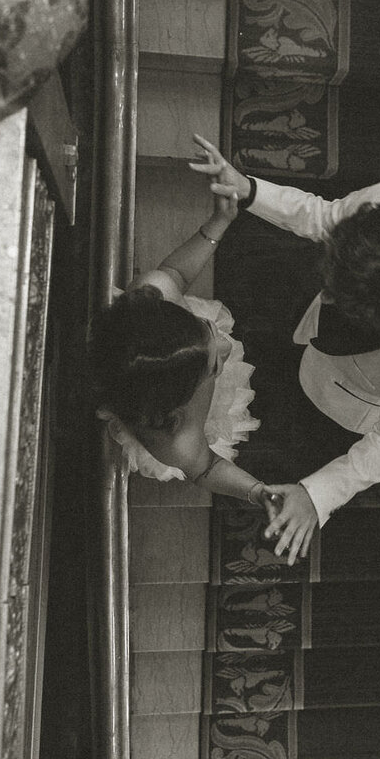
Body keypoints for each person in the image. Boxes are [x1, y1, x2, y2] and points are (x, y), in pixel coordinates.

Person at [190, 135, 380, 564]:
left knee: (277, 434)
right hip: (317, 340)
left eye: (338, 294)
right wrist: (247, 189)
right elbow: (322, 215)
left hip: (340, 405)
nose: (326, 292)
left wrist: (313, 494)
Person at [89, 153, 277, 517]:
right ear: (179, 405)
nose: (226, 343)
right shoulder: (177, 440)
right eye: (216, 365)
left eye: (208, 329)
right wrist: (256, 491)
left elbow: (174, 273)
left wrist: (220, 221)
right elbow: (204, 467)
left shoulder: (156, 290)